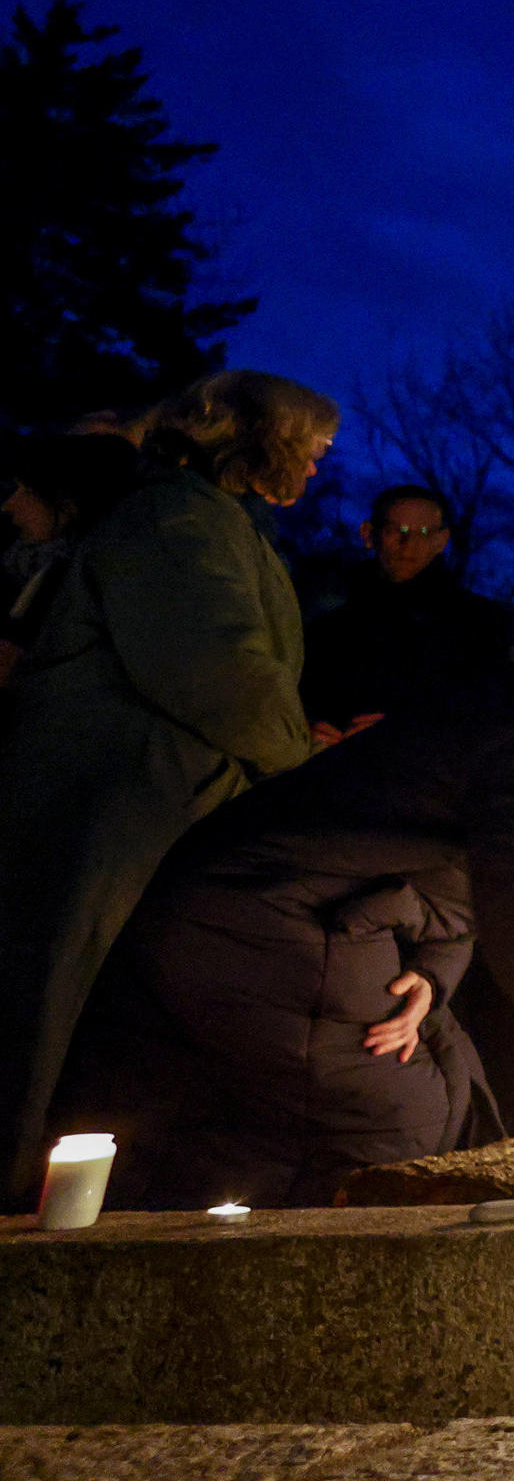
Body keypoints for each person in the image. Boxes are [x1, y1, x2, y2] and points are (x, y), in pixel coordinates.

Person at [49, 578, 514, 1208]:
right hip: (257, 910)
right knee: (395, 1122)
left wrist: (433, 973)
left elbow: (466, 873)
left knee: (448, 1091)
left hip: (342, 914)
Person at [0, 371, 337, 1203]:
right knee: (46, 1014)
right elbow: (220, 672)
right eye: (311, 450)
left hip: (152, 816)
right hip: (107, 821)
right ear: (258, 439)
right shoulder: (173, 518)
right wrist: (305, 761)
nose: (320, 470)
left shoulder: (216, 522)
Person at [300, 484, 514, 745]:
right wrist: (310, 729)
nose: (409, 543)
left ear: (441, 540)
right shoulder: (328, 627)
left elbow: (494, 714)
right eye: (395, 530)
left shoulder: (483, 625)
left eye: (423, 533)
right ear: (369, 534)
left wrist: (402, 728)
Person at [1, 431, 141, 685]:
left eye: (27, 491)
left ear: (69, 504)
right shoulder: (103, 570)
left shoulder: (61, 579)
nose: (9, 504)